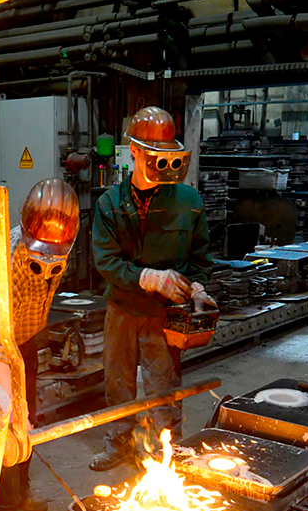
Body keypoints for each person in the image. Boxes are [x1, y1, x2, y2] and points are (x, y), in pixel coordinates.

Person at [88, 106, 215, 472]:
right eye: (153, 155)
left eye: (167, 156)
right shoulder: (110, 204)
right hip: (123, 309)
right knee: (118, 383)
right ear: (135, 152)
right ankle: (119, 443)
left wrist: (198, 288)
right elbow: (106, 261)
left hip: (164, 315)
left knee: (163, 385)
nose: (162, 164)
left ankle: (164, 450)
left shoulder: (189, 202)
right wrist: (148, 277)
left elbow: (200, 256)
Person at [0, 178, 82, 511]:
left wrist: (23, 412)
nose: (48, 260)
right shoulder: (9, 264)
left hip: (23, 337)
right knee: (0, 423)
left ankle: (21, 491)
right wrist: (11, 411)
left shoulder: (60, 249)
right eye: (42, 252)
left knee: (27, 416)